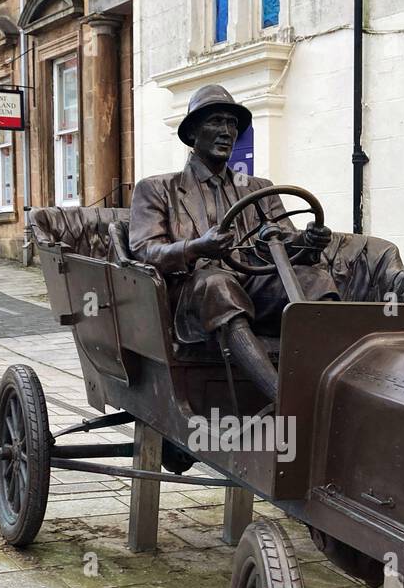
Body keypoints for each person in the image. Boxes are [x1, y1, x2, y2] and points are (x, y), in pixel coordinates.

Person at [128, 85, 338, 402]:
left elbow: (283, 242)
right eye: (216, 122)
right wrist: (197, 247)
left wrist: (308, 242)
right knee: (218, 283)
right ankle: (283, 400)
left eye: (232, 124)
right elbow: (146, 251)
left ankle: (330, 385)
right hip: (190, 295)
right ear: (192, 132)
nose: (227, 131)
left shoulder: (258, 188)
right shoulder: (157, 189)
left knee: (315, 281)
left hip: (253, 284)